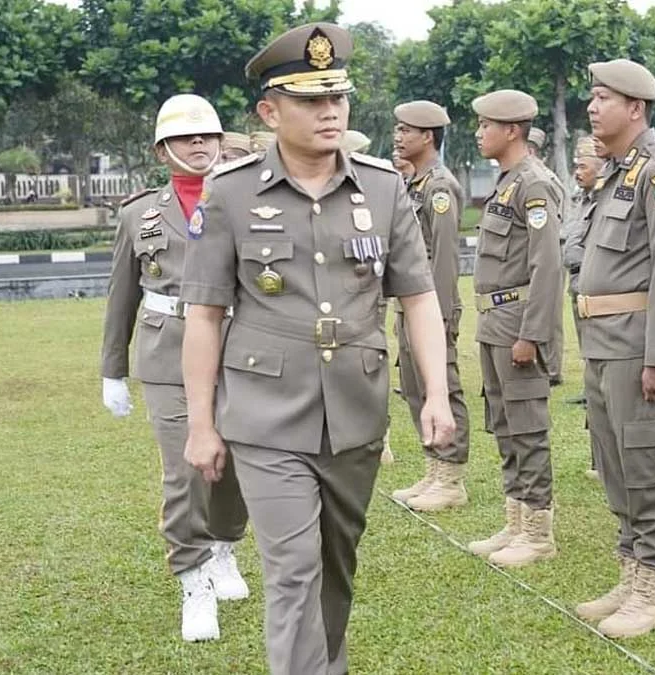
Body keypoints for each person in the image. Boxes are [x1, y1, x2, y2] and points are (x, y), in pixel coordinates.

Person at [178, 23, 455, 674]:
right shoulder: (233, 192)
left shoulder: (385, 189)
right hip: (265, 413)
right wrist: (198, 423)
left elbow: (418, 298)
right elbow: (205, 313)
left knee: (334, 570)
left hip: (356, 414)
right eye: (310, 99)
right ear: (270, 111)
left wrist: (437, 394)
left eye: (338, 96)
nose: (330, 110)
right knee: (293, 572)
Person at [100, 94, 250, 643]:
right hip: (168, 353)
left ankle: (223, 548)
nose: (199, 145)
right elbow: (121, 297)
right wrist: (112, 370)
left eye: (208, 136)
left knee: (233, 467)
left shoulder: (248, 201)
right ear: (162, 149)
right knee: (188, 469)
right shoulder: (139, 214)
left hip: (238, 349)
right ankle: (193, 580)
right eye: (186, 138)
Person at [574, 59, 655, 639]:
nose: (592, 108)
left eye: (602, 98)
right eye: (592, 98)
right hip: (602, 345)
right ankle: (631, 576)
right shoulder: (618, 172)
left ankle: (654, 595)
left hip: (637, 347)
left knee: (646, 470)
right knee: (617, 470)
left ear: (635, 108)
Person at [465, 89, 564, 568]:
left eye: (486, 125)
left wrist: (533, 334)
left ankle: (539, 530)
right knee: (504, 426)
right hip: (493, 320)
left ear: (512, 130)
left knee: (527, 429)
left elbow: (548, 266)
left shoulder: (534, 184)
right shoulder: (507, 182)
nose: (479, 133)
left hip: (517, 322)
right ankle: (516, 520)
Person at [388, 100, 472, 512]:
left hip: (431, 307)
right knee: (415, 388)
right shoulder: (414, 184)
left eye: (407, 130)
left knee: (443, 388)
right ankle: (434, 469)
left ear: (428, 136)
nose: (398, 136)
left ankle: (451, 477)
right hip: (409, 306)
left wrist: (437, 316)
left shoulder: (439, 187)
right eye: (398, 129)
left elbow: (443, 257)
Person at [563, 135, 607, 479]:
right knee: (592, 373)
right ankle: (600, 457)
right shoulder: (580, 199)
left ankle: (607, 457)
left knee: (606, 378)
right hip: (578, 289)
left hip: (602, 296)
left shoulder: (606, 199)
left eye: (583, 165)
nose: (578, 171)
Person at [527, 126, 567, 386]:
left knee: (550, 311)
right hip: (537, 249)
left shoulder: (543, 180)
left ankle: (552, 368)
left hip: (552, 248)